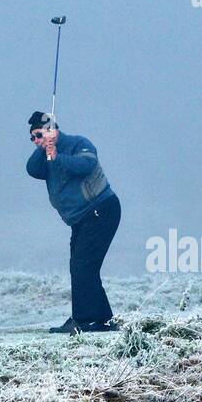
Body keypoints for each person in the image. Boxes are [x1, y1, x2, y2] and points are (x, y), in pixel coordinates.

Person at [25, 112, 121, 332]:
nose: (36, 140)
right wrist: (44, 150)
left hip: (101, 210)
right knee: (81, 268)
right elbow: (32, 170)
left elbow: (85, 166)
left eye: (39, 135)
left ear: (52, 130)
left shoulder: (79, 143)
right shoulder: (45, 155)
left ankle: (85, 320)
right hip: (81, 220)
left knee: (82, 266)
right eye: (32, 138)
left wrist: (57, 155)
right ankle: (101, 320)